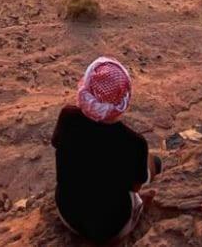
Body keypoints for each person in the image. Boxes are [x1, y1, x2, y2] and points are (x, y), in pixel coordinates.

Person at [51, 56, 162, 244]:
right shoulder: (133, 142)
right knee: (154, 163)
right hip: (111, 228)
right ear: (123, 100)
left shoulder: (67, 117)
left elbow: (57, 144)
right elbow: (135, 188)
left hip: (67, 213)